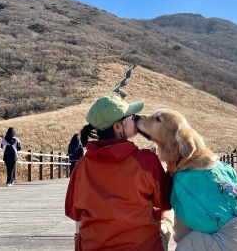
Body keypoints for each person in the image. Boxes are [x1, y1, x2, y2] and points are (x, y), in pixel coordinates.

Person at [65, 95, 173, 251]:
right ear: (117, 127)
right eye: (132, 117)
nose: (136, 119)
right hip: (142, 246)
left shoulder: (81, 166)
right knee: (167, 216)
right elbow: (166, 201)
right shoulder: (145, 161)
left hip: (94, 246)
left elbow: (72, 211)